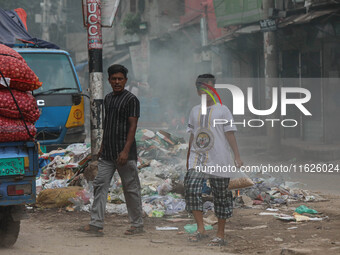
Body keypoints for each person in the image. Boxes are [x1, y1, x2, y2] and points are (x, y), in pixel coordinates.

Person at [80, 64, 143, 236]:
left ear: (125, 81)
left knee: (131, 189)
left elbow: (133, 126)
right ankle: (96, 224)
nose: (117, 82)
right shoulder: (108, 99)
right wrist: (101, 146)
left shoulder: (131, 100)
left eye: (120, 79)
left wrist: (125, 151)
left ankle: (137, 225)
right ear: (108, 80)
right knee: (100, 185)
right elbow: (107, 124)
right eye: (114, 79)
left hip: (125, 154)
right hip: (107, 154)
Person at [185, 74, 243, 246]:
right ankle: (201, 229)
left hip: (220, 159)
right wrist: (188, 157)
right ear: (198, 91)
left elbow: (230, 134)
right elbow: (192, 135)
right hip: (197, 159)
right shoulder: (194, 111)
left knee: (221, 196)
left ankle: (220, 234)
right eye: (203, 89)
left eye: (210, 88)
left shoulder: (223, 110)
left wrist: (237, 156)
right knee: (192, 190)